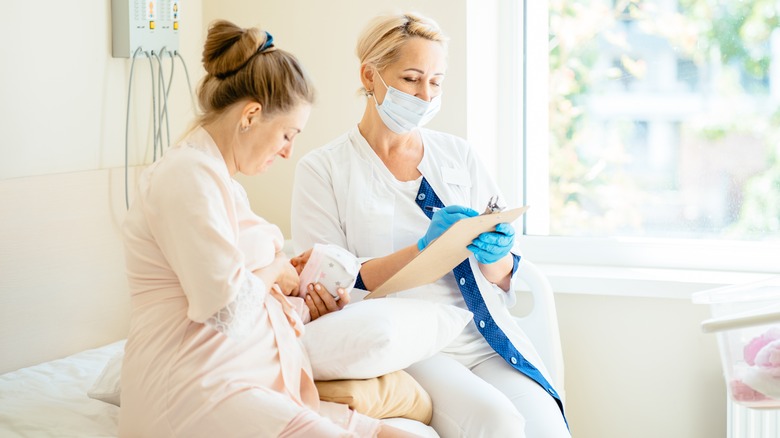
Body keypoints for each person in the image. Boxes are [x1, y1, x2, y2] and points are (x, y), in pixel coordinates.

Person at [120, 19, 418, 438]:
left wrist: (298, 301)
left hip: (247, 380)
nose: (288, 151)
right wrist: (275, 269)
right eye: (286, 135)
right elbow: (226, 311)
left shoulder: (221, 182)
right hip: (197, 388)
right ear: (251, 115)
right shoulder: (185, 177)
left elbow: (239, 294)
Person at [291, 12, 570, 438]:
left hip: (483, 334)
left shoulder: (458, 156)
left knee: (547, 429)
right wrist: (424, 250)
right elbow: (327, 279)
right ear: (370, 76)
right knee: (497, 422)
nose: (425, 95)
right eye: (411, 78)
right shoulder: (324, 169)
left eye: (436, 82)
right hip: (414, 343)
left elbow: (503, 276)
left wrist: (496, 256)